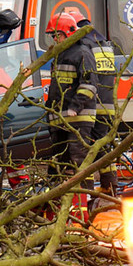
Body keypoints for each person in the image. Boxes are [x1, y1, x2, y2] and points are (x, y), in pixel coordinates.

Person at [45, 12, 100, 218]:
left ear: (67, 33)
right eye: (52, 36)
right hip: (61, 119)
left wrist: (74, 107)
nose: (54, 39)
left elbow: (89, 85)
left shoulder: (82, 53)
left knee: (80, 163)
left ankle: (83, 213)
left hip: (78, 118)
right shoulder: (59, 54)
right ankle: (63, 210)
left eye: (56, 35)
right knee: (61, 163)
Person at [65, 9, 118, 195]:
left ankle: (86, 194)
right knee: (103, 147)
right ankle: (110, 189)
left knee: (85, 151)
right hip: (108, 103)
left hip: (92, 104)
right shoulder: (103, 42)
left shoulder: (84, 44)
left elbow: (88, 77)